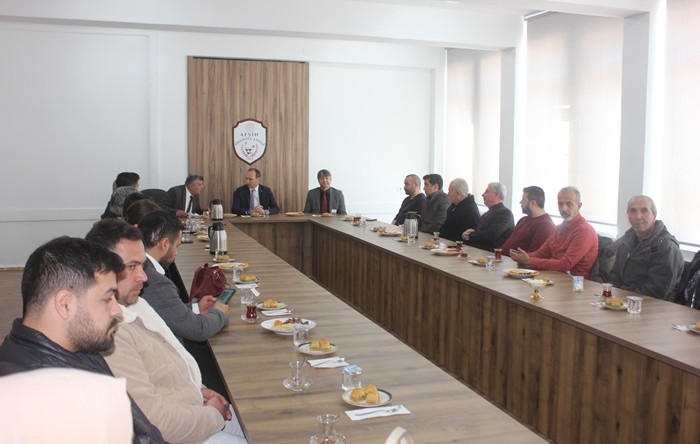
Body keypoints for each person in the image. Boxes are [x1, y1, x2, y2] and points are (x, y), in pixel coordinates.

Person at [86, 220, 246, 443]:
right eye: (131, 267)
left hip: (193, 408)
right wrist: (212, 415)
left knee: (262, 423)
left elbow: (167, 367)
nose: (144, 276)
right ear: (99, 270)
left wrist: (199, 390)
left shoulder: (134, 302)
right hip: (178, 434)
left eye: (142, 265)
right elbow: (154, 424)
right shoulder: (110, 333)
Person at [0, 236, 166, 443]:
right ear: (65, 304)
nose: (116, 311)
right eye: (107, 298)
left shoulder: (73, 346)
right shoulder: (56, 407)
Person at [137, 211, 229, 341]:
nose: (176, 253)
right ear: (164, 244)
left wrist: (196, 308)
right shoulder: (156, 282)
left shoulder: (141, 267)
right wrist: (219, 313)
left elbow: (163, 309)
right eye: (177, 246)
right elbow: (198, 330)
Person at [594, 195, 684, 301]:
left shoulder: (667, 247)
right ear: (628, 216)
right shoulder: (625, 241)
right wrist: (610, 300)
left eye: (644, 211)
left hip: (653, 309)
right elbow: (615, 278)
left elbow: (655, 292)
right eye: (633, 211)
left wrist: (622, 301)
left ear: (654, 216)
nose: (638, 216)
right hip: (623, 303)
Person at [510, 186, 598, 278]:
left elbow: (565, 265)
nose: (564, 209)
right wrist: (521, 257)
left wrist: (529, 260)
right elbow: (541, 253)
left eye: (569, 204)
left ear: (579, 206)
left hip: (573, 283)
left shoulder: (584, 232)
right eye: (560, 204)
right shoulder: (558, 228)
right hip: (552, 276)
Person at [500, 186, 556, 255]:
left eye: (523, 199)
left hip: (516, 264)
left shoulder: (545, 226)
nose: (520, 202)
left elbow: (535, 256)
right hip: (503, 260)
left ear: (533, 203)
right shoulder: (523, 220)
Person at [462, 182, 514, 251]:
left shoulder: (505, 214)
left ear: (496, 195)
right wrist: (468, 233)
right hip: (478, 251)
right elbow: (477, 232)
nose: (483, 194)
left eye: (487, 192)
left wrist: (470, 235)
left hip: (491, 254)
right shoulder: (487, 214)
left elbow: (491, 235)